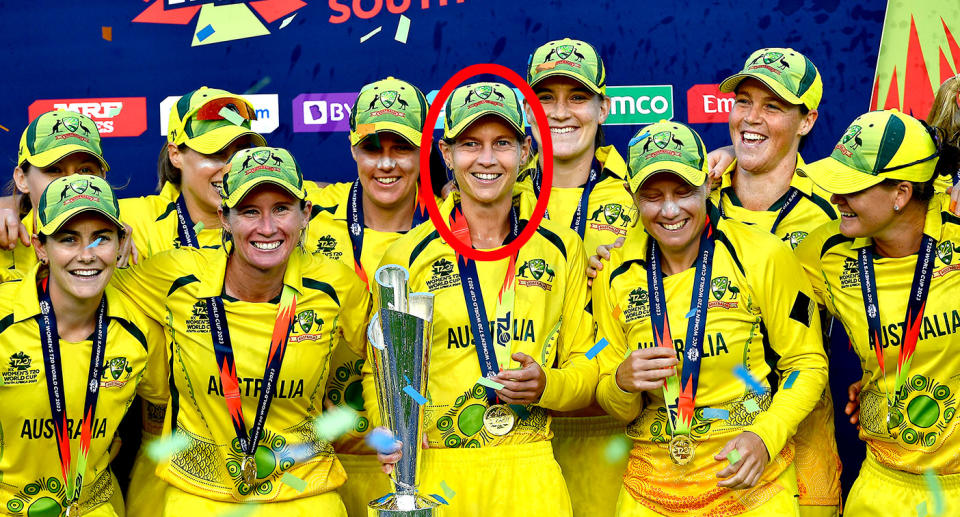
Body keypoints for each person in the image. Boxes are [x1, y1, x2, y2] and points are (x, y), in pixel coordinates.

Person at [370, 82, 596, 516]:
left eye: (503, 143)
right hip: (435, 472)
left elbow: (589, 364)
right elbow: (376, 369)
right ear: (446, 154)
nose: (488, 159)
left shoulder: (561, 248)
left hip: (531, 473)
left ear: (526, 151)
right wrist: (387, 427)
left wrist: (549, 385)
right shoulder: (407, 255)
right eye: (471, 144)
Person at [111, 147, 369, 516]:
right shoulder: (175, 276)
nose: (267, 228)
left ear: (305, 214)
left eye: (281, 209)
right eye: (250, 211)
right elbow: (83, 283)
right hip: (199, 496)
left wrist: (392, 424)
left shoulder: (335, 284)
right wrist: (15, 209)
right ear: (224, 218)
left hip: (305, 493)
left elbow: (385, 359)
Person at [594, 120, 828, 516]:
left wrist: (764, 437)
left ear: (708, 184)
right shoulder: (613, 271)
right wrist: (620, 382)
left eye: (683, 191)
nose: (669, 210)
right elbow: (608, 389)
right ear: (631, 196)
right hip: (651, 489)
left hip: (750, 481)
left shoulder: (762, 254)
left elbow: (807, 363)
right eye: (652, 196)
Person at [796, 109, 960, 516]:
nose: (835, 199)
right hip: (882, 486)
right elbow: (742, 286)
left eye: (850, 187)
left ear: (901, 194)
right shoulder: (822, 253)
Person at [710, 47, 842, 516]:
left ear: (807, 122)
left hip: (803, 443)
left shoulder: (836, 209)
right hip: (706, 444)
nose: (752, 118)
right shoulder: (694, 201)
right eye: (744, 101)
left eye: (773, 106)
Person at [0, 175, 166, 517]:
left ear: (121, 244)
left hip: (95, 506)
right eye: (68, 239)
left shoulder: (140, 329)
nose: (86, 255)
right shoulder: (4, 319)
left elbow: (156, 430)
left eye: (100, 238)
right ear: (41, 248)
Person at [515, 39, 631, 514]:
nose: (560, 113)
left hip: (615, 433)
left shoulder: (642, 200)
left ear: (603, 108)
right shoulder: (490, 204)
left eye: (577, 97)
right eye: (545, 98)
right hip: (520, 435)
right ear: (526, 107)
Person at [309, 76, 432, 516]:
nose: (386, 164)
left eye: (401, 148)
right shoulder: (311, 217)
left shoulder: (454, 224)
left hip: (416, 455)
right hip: (325, 461)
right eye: (372, 148)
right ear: (351, 147)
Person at [1, 110, 114, 272]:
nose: (72, 183)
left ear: (102, 177)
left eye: (85, 170)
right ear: (21, 179)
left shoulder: (128, 240)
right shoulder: (3, 252)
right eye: (54, 170)